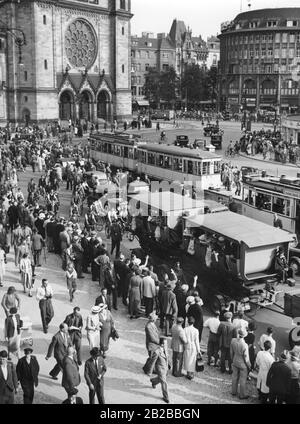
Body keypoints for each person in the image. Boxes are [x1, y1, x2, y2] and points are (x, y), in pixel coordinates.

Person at [230, 328, 251, 400]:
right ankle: (242, 395)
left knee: (234, 377)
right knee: (242, 380)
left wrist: (232, 360)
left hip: (235, 360)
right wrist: (249, 365)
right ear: (244, 336)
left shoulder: (233, 340)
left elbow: (231, 352)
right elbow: (246, 358)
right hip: (242, 364)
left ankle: (233, 391)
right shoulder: (245, 345)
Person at [150, 337, 170, 403]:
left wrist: (168, 366)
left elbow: (167, 358)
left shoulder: (165, 349)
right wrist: (150, 371)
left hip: (165, 367)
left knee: (161, 379)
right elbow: (152, 361)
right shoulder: (156, 351)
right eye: (165, 343)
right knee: (164, 382)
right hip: (160, 368)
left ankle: (153, 381)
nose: (166, 345)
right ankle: (166, 397)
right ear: (161, 344)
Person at [143, 311, 160, 376]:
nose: (156, 318)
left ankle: (146, 368)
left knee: (152, 357)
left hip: (154, 344)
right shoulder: (148, 326)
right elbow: (152, 338)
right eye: (155, 318)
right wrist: (159, 342)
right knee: (153, 357)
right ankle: (149, 371)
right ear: (153, 319)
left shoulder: (152, 324)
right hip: (151, 345)